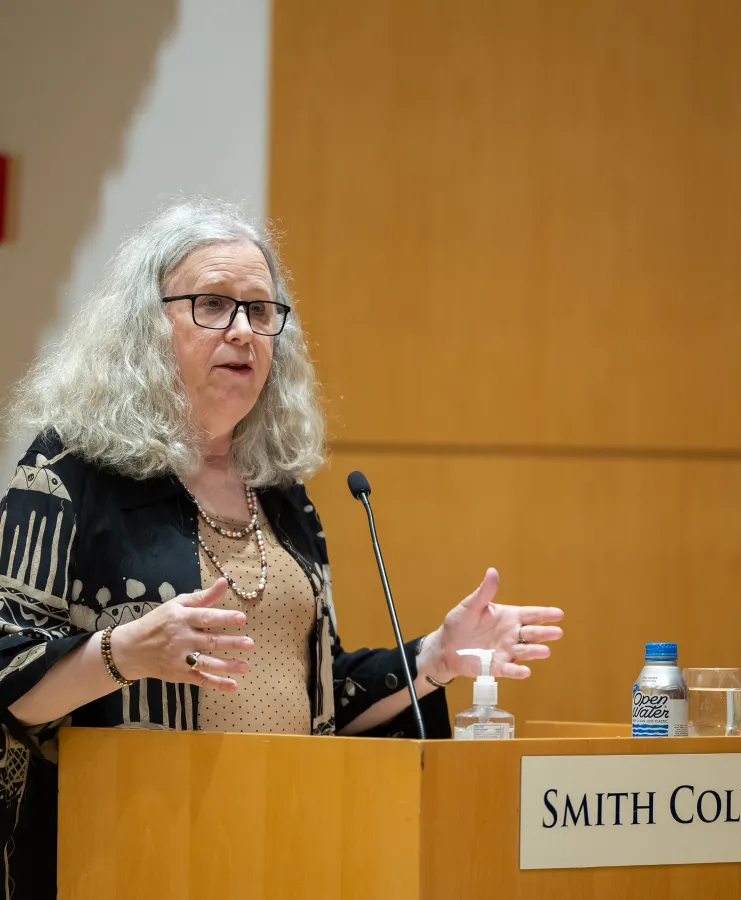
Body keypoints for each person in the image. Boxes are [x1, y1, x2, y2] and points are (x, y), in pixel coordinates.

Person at [0, 199, 564, 898]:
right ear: (147, 327)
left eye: (261, 311)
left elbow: (317, 694)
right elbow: (9, 678)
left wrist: (431, 659)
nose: (242, 331)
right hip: (129, 853)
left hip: (283, 843)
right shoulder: (68, 470)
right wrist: (125, 655)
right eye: (213, 304)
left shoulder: (279, 490)